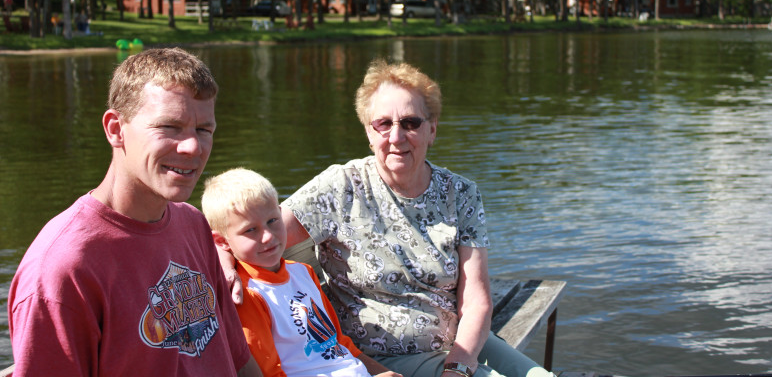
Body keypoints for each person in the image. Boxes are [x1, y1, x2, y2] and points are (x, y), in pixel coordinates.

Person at [222, 59, 554, 377]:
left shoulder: (460, 194)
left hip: (456, 343)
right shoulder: (340, 187)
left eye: (411, 122)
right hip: (382, 357)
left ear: (432, 131)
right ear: (369, 133)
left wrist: (459, 365)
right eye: (384, 124)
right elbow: (258, 231)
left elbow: (477, 299)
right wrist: (222, 257)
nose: (396, 137)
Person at [8, 48, 261, 377]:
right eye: (170, 127)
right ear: (115, 129)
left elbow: (237, 360)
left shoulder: (192, 224)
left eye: (204, 130)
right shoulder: (62, 270)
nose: (193, 147)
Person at [202, 167, 403, 377]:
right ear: (222, 241)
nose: (268, 236)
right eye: (250, 230)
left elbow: (340, 344)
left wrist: (385, 373)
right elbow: (268, 372)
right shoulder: (248, 294)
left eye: (272, 221)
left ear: (281, 213)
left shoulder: (303, 272)